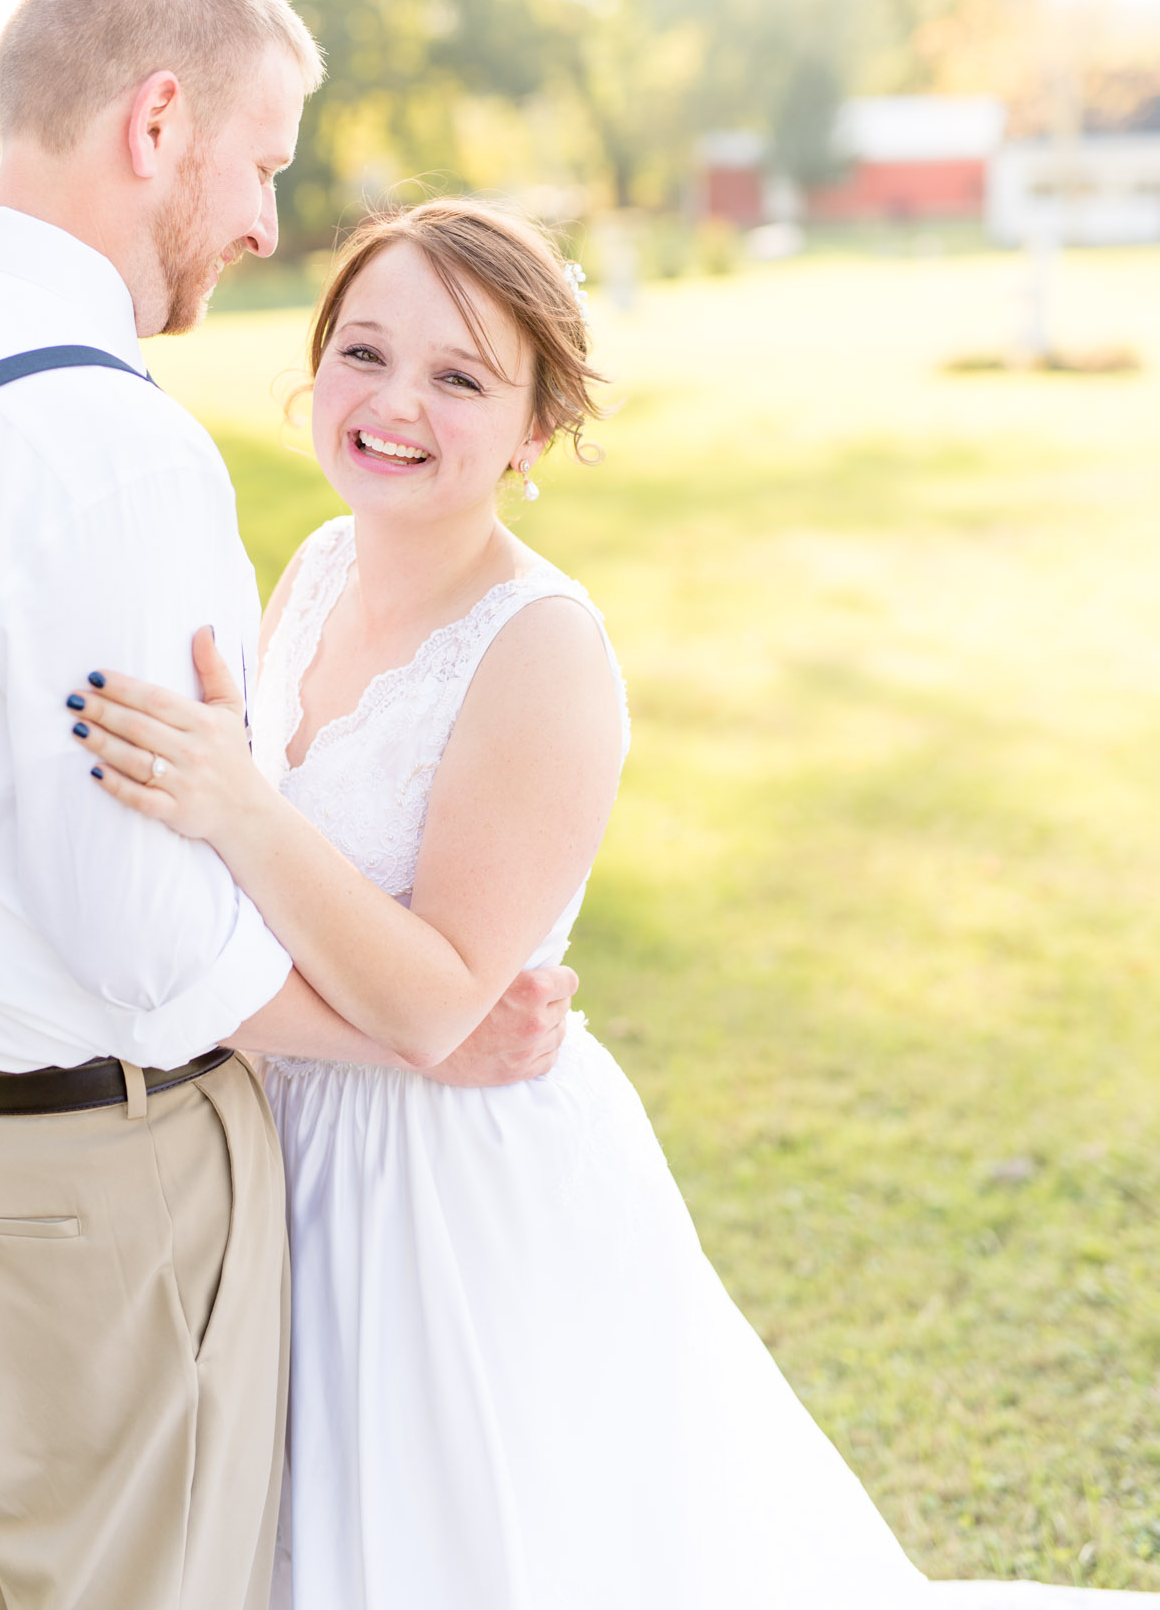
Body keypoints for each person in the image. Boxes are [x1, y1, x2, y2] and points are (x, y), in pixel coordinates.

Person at [79, 198, 1152, 1610]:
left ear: (532, 428)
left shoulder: (541, 651)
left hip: (449, 1195)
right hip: (286, 1147)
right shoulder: (317, 568)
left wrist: (237, 804)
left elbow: (430, 1000)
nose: (395, 404)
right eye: (364, 353)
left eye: (460, 378)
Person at [0, 0, 575, 1610]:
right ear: (159, 123)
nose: (264, 227)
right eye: (264, 162)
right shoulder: (109, 450)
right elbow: (158, 956)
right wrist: (415, 1042)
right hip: (93, 1198)